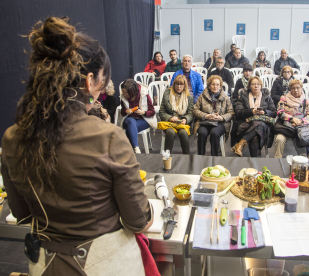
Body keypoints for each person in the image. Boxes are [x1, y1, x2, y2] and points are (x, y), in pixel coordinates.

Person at [1, 17, 153, 275]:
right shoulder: (109, 138)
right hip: (104, 264)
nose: (104, 87)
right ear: (90, 80)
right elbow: (138, 220)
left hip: (45, 266)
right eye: (103, 80)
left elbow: (22, 213)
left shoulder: (12, 138)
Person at [232, 76, 276, 157]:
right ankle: (254, 161)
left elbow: (273, 112)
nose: (256, 86)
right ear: (249, 86)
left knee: (260, 125)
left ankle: (240, 144)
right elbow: (238, 113)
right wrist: (251, 111)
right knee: (256, 135)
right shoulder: (243, 97)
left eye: (258, 84)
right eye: (253, 84)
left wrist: (264, 112)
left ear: (261, 86)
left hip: (263, 125)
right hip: (246, 123)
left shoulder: (266, 97)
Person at [193, 75, 234, 156]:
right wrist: (206, 116)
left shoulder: (225, 98)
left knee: (214, 133)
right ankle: (201, 157)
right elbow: (195, 110)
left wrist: (221, 118)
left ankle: (214, 158)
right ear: (209, 85)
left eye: (217, 84)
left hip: (219, 123)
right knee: (202, 133)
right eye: (213, 84)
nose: (215, 86)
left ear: (220, 86)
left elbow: (231, 112)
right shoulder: (202, 96)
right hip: (205, 122)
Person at [273, 79, 309, 158]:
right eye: (293, 88)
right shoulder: (284, 99)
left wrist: (300, 122)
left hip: (301, 128)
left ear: (301, 88)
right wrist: (292, 119)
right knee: (279, 139)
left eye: (298, 88)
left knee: (307, 141)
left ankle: (306, 163)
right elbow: (280, 112)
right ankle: (277, 161)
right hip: (286, 128)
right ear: (290, 89)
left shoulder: (306, 101)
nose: (295, 90)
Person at [159, 75, 193, 154]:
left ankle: (187, 156)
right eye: (177, 84)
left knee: (183, 133)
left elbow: (191, 114)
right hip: (169, 123)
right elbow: (162, 112)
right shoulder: (167, 94)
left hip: (181, 123)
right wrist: (170, 118)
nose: (179, 86)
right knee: (170, 132)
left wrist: (185, 119)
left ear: (184, 86)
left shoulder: (189, 97)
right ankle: (166, 157)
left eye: (181, 84)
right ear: (173, 84)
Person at [121, 79, 157, 154]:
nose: (124, 95)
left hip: (144, 120)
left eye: (126, 93)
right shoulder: (124, 97)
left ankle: (132, 150)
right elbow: (122, 112)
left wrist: (143, 112)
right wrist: (126, 111)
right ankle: (136, 148)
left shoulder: (144, 94)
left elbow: (152, 112)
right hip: (129, 119)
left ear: (132, 91)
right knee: (130, 121)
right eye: (123, 93)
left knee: (130, 128)